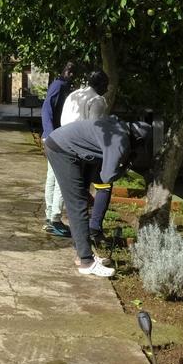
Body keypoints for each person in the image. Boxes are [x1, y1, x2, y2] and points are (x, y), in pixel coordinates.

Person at [43, 116, 151, 277]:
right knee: (77, 205)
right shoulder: (120, 140)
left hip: (68, 147)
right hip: (62, 150)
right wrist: (126, 165)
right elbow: (107, 177)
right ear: (138, 140)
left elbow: (98, 177)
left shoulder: (116, 125)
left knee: (81, 201)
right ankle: (87, 262)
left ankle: (82, 254)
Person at [58, 71, 113, 245]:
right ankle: (94, 228)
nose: (107, 88)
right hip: (83, 148)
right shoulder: (97, 100)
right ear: (100, 84)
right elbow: (95, 129)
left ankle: (78, 229)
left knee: (79, 188)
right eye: (106, 85)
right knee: (104, 184)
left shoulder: (75, 94)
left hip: (63, 143)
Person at [41, 62, 76, 237]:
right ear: (63, 71)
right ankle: (54, 218)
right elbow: (46, 109)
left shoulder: (64, 86)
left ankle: (50, 218)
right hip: (57, 139)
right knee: (61, 179)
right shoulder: (58, 86)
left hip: (55, 137)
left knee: (53, 177)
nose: (71, 74)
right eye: (68, 71)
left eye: (73, 72)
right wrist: (49, 134)